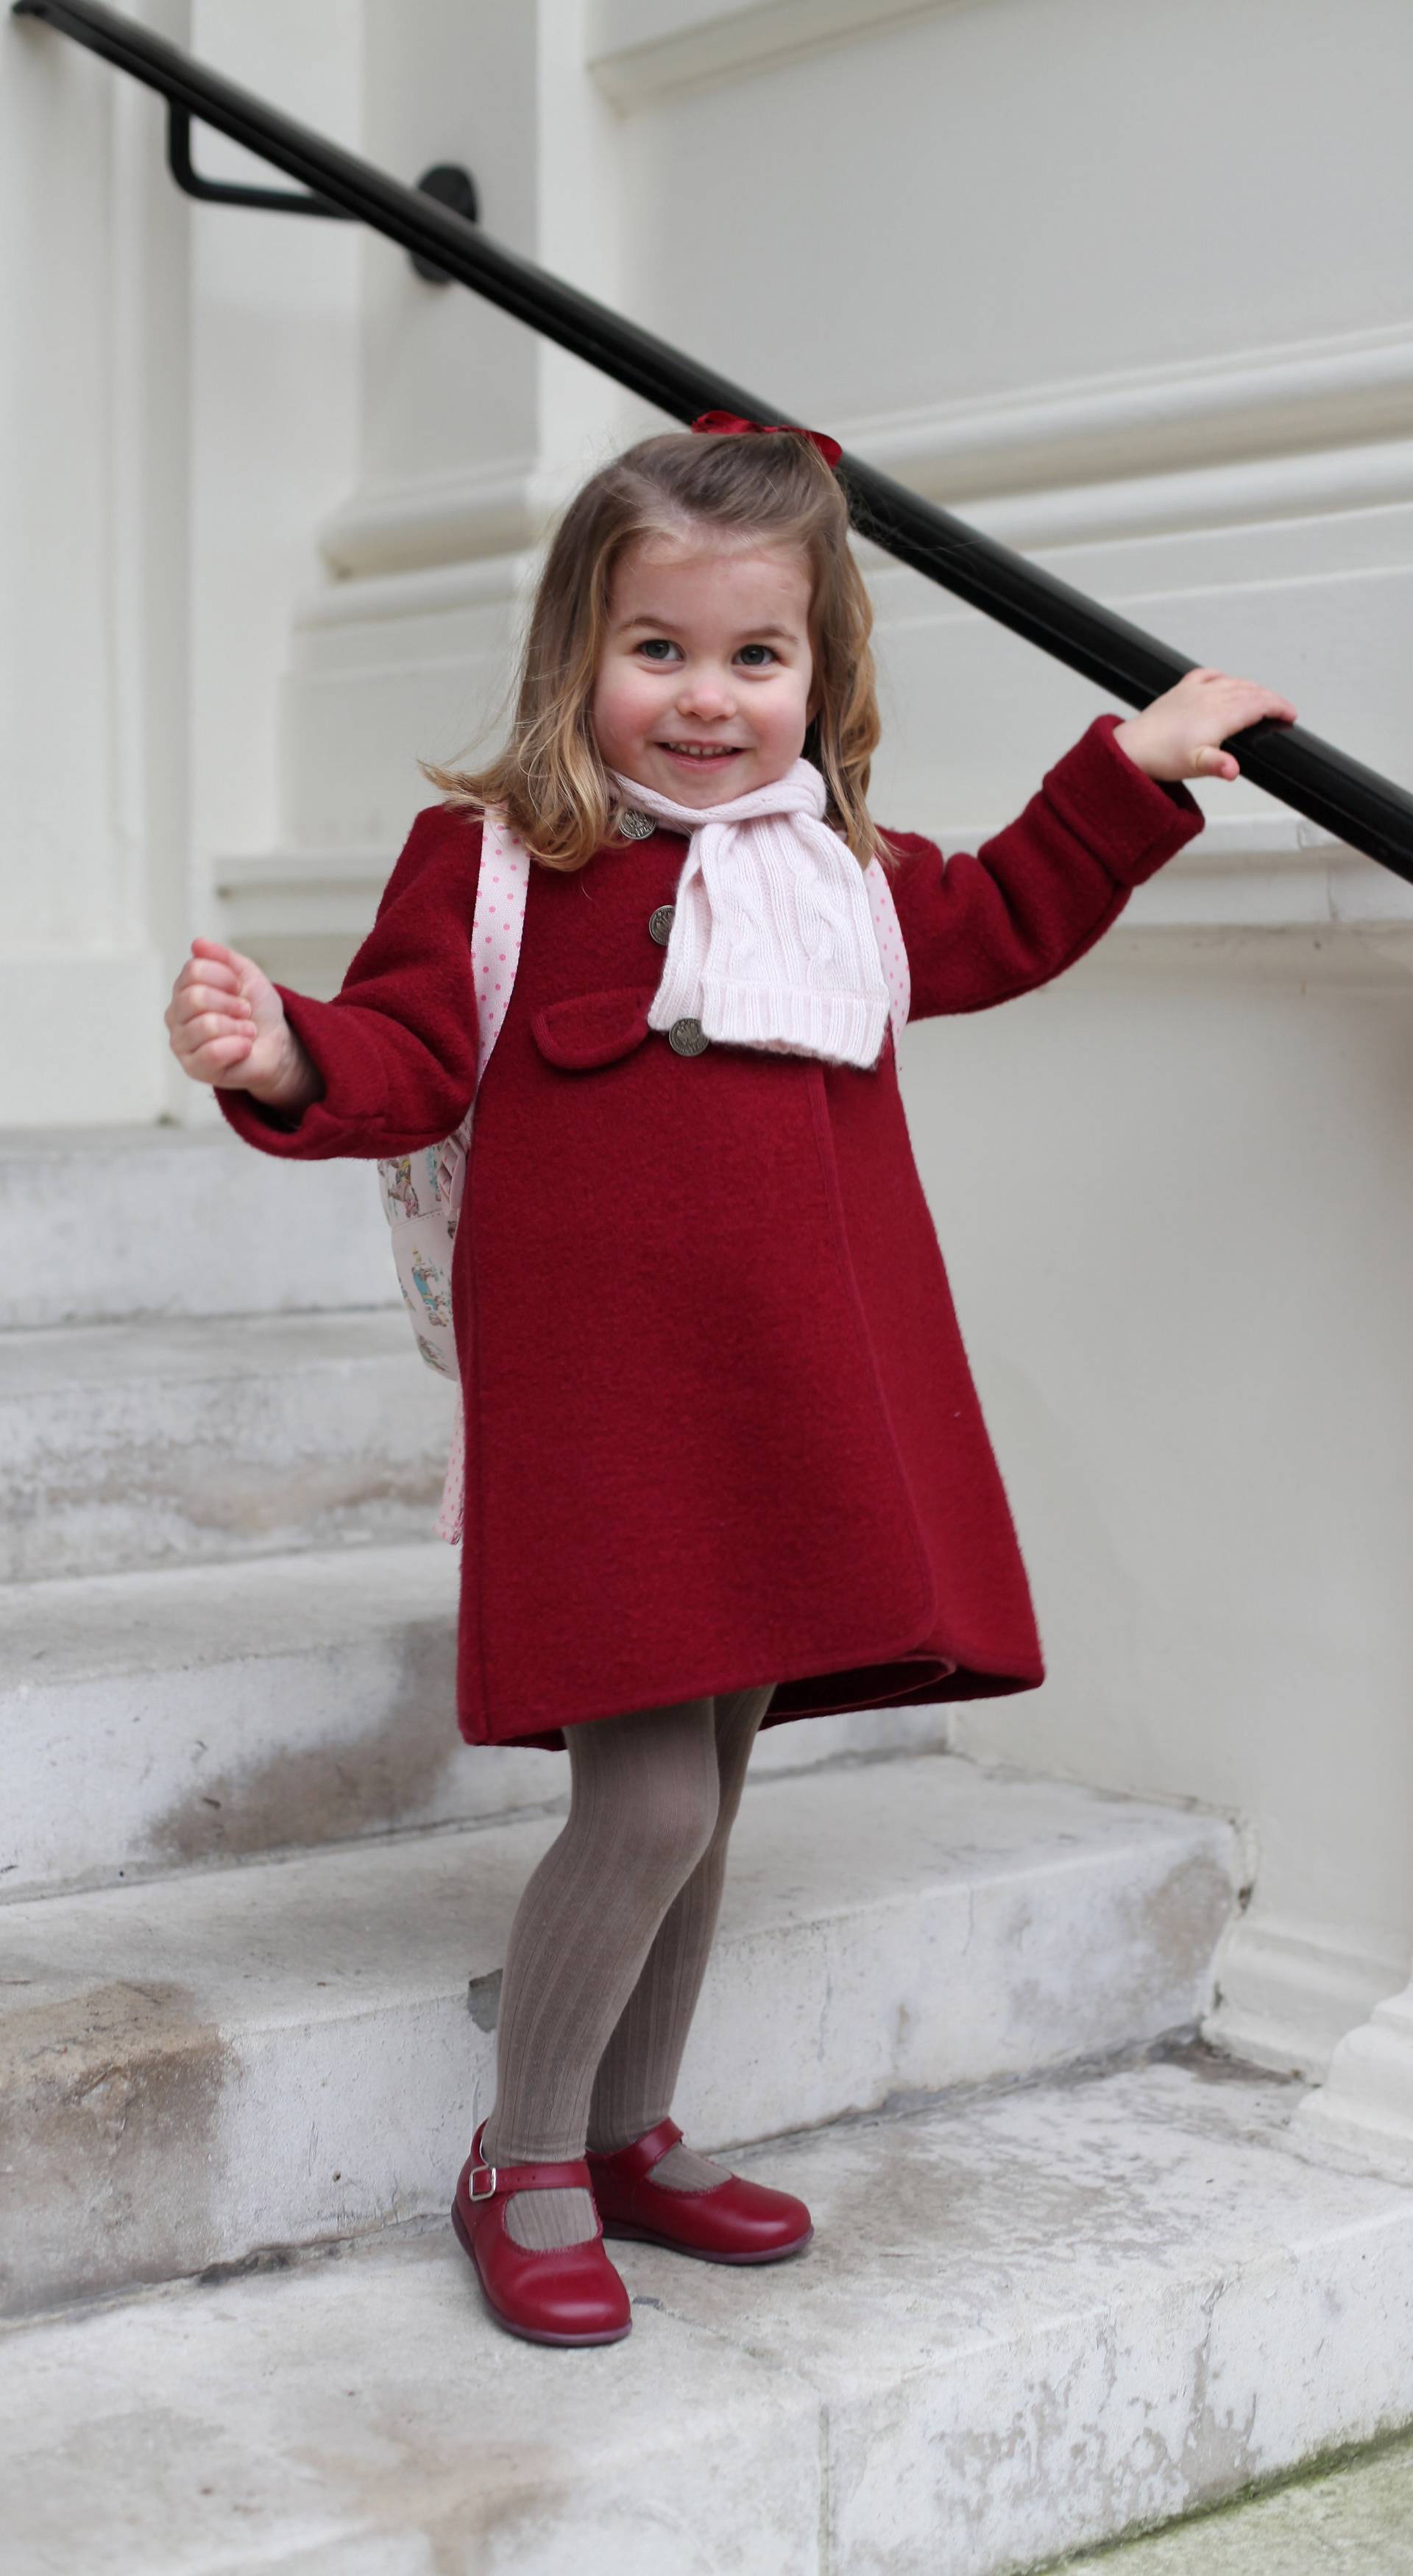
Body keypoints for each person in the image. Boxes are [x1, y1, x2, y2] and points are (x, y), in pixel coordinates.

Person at [166, 415, 1297, 2349]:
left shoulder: (839, 868)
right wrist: (282, 1049)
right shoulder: (501, 861)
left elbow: (1012, 909)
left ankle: (624, 2129)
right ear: (575, 656)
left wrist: (1129, 769)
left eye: (753, 657)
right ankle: (522, 2154)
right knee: (650, 1803)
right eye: (658, 650)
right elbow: (407, 1053)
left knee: (723, 1779)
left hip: (788, 1404)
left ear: (822, 676)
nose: (705, 699)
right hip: (613, 1423)